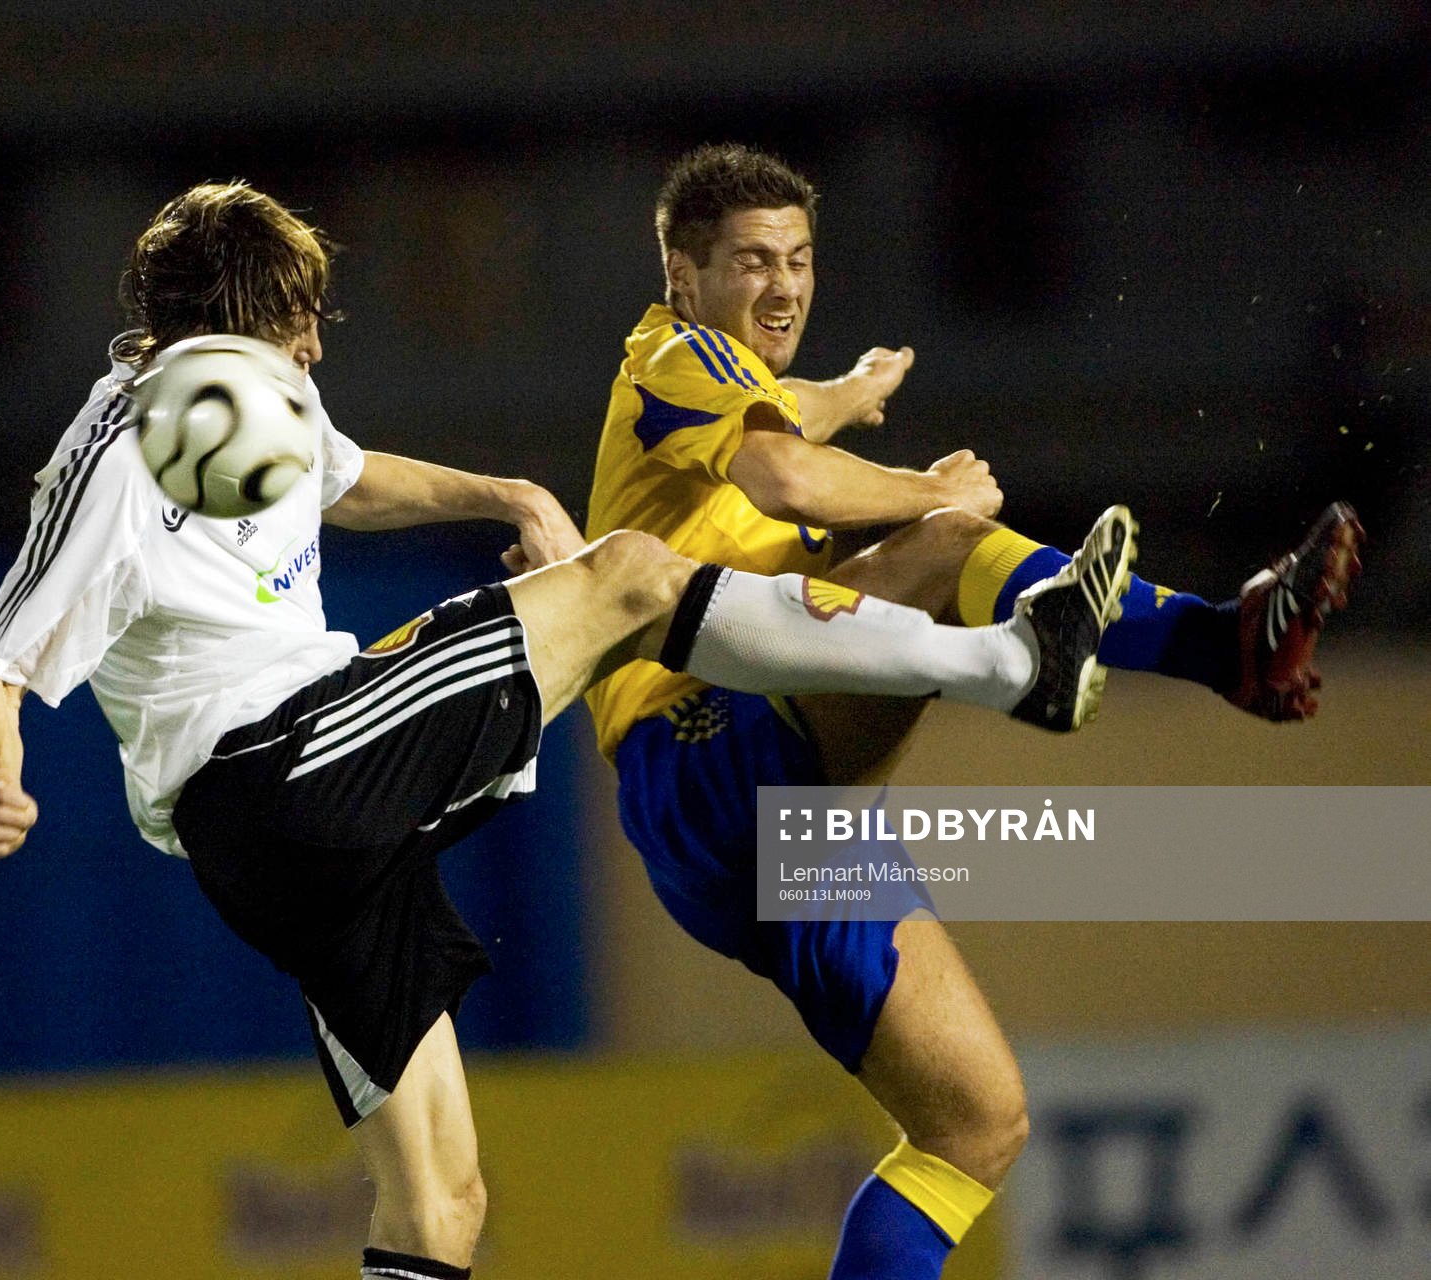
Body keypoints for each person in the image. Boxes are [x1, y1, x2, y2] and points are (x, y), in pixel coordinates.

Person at [0, 181, 1135, 1280]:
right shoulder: (143, 423)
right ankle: (1008, 662)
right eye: (303, 317)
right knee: (626, 576)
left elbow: (342, 480)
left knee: (439, 1205)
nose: (315, 344)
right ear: (256, 313)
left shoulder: (226, 413)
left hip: (291, 852)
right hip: (295, 762)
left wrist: (506, 494)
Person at [583, 143, 1364, 1280]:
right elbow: (784, 476)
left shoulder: (736, 406)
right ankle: (1215, 647)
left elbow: (788, 443)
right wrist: (930, 495)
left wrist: (847, 403)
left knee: (974, 1126)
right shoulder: (672, 353)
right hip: (701, 744)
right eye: (752, 260)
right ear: (680, 272)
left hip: (765, 813)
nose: (785, 286)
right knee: (949, 541)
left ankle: (1107, 654)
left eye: (799, 259)